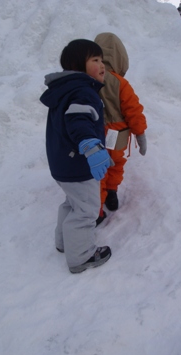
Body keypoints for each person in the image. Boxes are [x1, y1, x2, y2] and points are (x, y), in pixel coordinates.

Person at [40, 39, 112, 274]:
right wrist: (91, 145)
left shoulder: (65, 90)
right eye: (95, 60)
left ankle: (64, 242)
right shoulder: (83, 91)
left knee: (72, 202)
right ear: (78, 66)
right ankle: (81, 256)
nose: (102, 65)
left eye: (102, 60)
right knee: (87, 210)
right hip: (79, 164)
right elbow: (78, 121)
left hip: (63, 163)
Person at [94, 32, 147, 224]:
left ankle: (97, 209)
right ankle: (112, 193)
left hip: (94, 134)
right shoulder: (121, 83)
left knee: (97, 172)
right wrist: (140, 133)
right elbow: (133, 110)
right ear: (120, 58)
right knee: (115, 164)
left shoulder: (88, 78)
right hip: (117, 136)